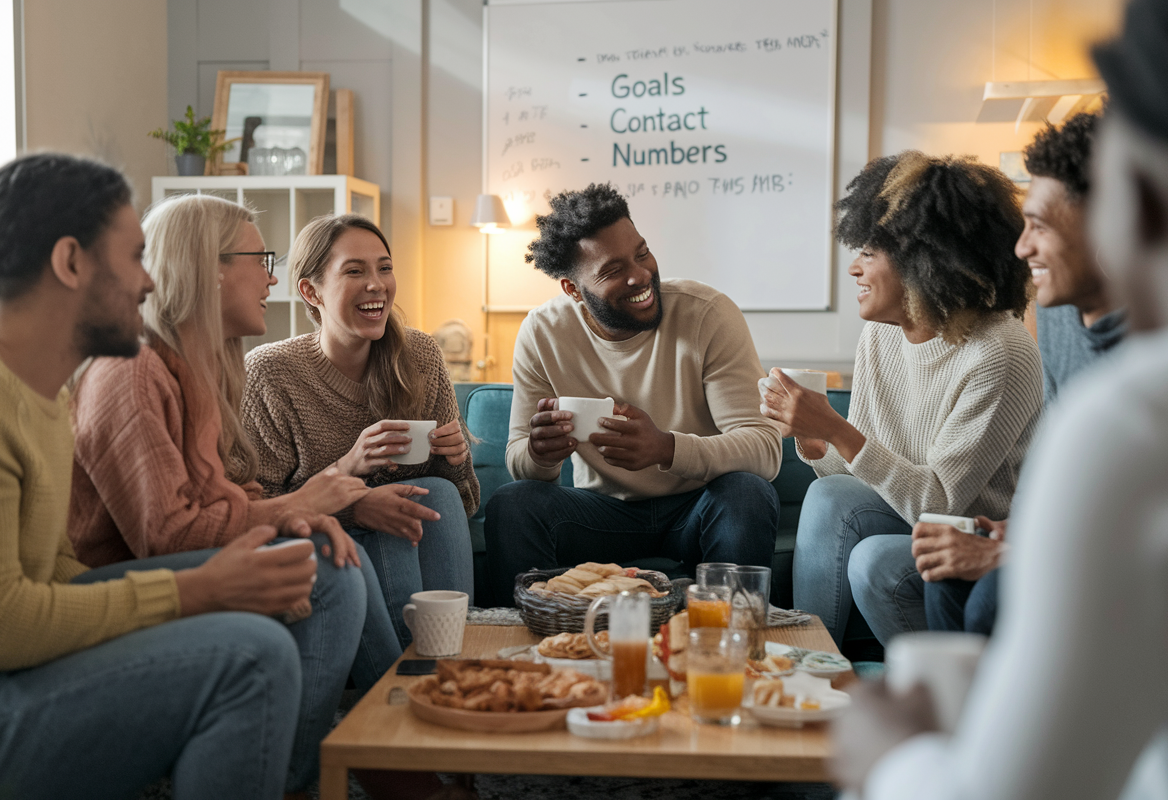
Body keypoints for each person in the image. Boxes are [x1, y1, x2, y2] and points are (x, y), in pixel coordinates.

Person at [835, 1, 1168, 796]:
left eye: (1037, 222)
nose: (1020, 248)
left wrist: (889, 755)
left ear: (1136, 199)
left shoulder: (1146, 421)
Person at [0, 153, 360, 800]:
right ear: (70, 262)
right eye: (135, 256)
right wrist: (195, 593)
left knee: (279, 606)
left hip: (4, 670)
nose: (149, 281)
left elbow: (57, 575)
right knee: (253, 652)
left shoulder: (46, 393)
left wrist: (208, 591)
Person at [68, 194, 403, 711]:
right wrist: (298, 506)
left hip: (168, 560)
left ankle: (396, 747)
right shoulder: (132, 371)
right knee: (331, 567)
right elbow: (166, 537)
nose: (272, 280)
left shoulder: (202, 368)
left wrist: (291, 518)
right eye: (262, 262)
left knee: (332, 550)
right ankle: (326, 772)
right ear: (208, 269)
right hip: (107, 585)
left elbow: (231, 494)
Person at [762, 153, 1042, 648]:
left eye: (869, 252)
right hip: (907, 510)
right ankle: (802, 664)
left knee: (873, 562)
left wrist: (836, 429)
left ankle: (932, 686)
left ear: (922, 259)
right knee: (828, 496)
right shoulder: (880, 337)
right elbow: (859, 476)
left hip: (968, 532)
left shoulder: (999, 351)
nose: (853, 267)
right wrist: (813, 438)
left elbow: (938, 504)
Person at [483, 183, 782, 607]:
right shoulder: (543, 331)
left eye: (642, 253)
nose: (640, 275)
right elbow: (521, 461)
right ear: (572, 289)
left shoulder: (707, 314)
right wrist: (541, 455)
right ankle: (533, 648)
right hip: (601, 514)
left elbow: (765, 449)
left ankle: (727, 645)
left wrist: (667, 448)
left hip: (697, 506)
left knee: (747, 494)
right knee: (513, 503)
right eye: (612, 270)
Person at [912, 109, 1127, 638]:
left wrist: (1023, 553)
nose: (1021, 246)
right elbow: (1052, 453)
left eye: (1040, 226)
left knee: (990, 599)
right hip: (1064, 532)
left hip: (1122, 553)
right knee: (943, 577)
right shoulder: (1054, 314)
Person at [242, 213, 477, 650]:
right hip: (325, 553)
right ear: (311, 291)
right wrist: (353, 495)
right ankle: (411, 674)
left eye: (384, 268)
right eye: (355, 271)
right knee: (386, 524)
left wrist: (455, 461)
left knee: (436, 495)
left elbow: (463, 502)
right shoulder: (270, 373)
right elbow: (256, 509)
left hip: (411, 548)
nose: (377, 284)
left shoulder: (420, 355)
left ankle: (446, 659)